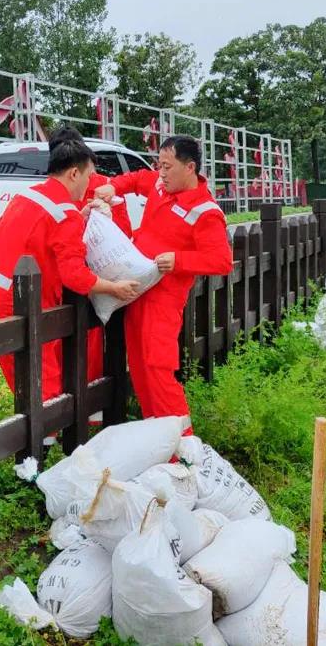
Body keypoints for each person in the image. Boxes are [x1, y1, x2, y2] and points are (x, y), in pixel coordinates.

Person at [0, 127, 140, 401]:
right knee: (45, 391)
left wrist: (78, 217)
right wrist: (113, 288)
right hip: (18, 304)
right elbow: (74, 275)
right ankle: (41, 443)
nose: (90, 182)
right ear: (73, 173)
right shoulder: (64, 212)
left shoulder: (29, 196)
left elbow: (39, 234)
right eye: (89, 176)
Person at [94, 135, 232, 431]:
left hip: (164, 300)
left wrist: (179, 261)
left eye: (168, 166)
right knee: (141, 370)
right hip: (137, 291)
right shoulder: (159, 185)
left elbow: (221, 260)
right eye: (160, 165)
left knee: (158, 368)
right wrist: (114, 186)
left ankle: (182, 445)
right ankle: (156, 437)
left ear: (190, 167)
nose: (161, 173)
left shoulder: (205, 212)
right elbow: (138, 178)